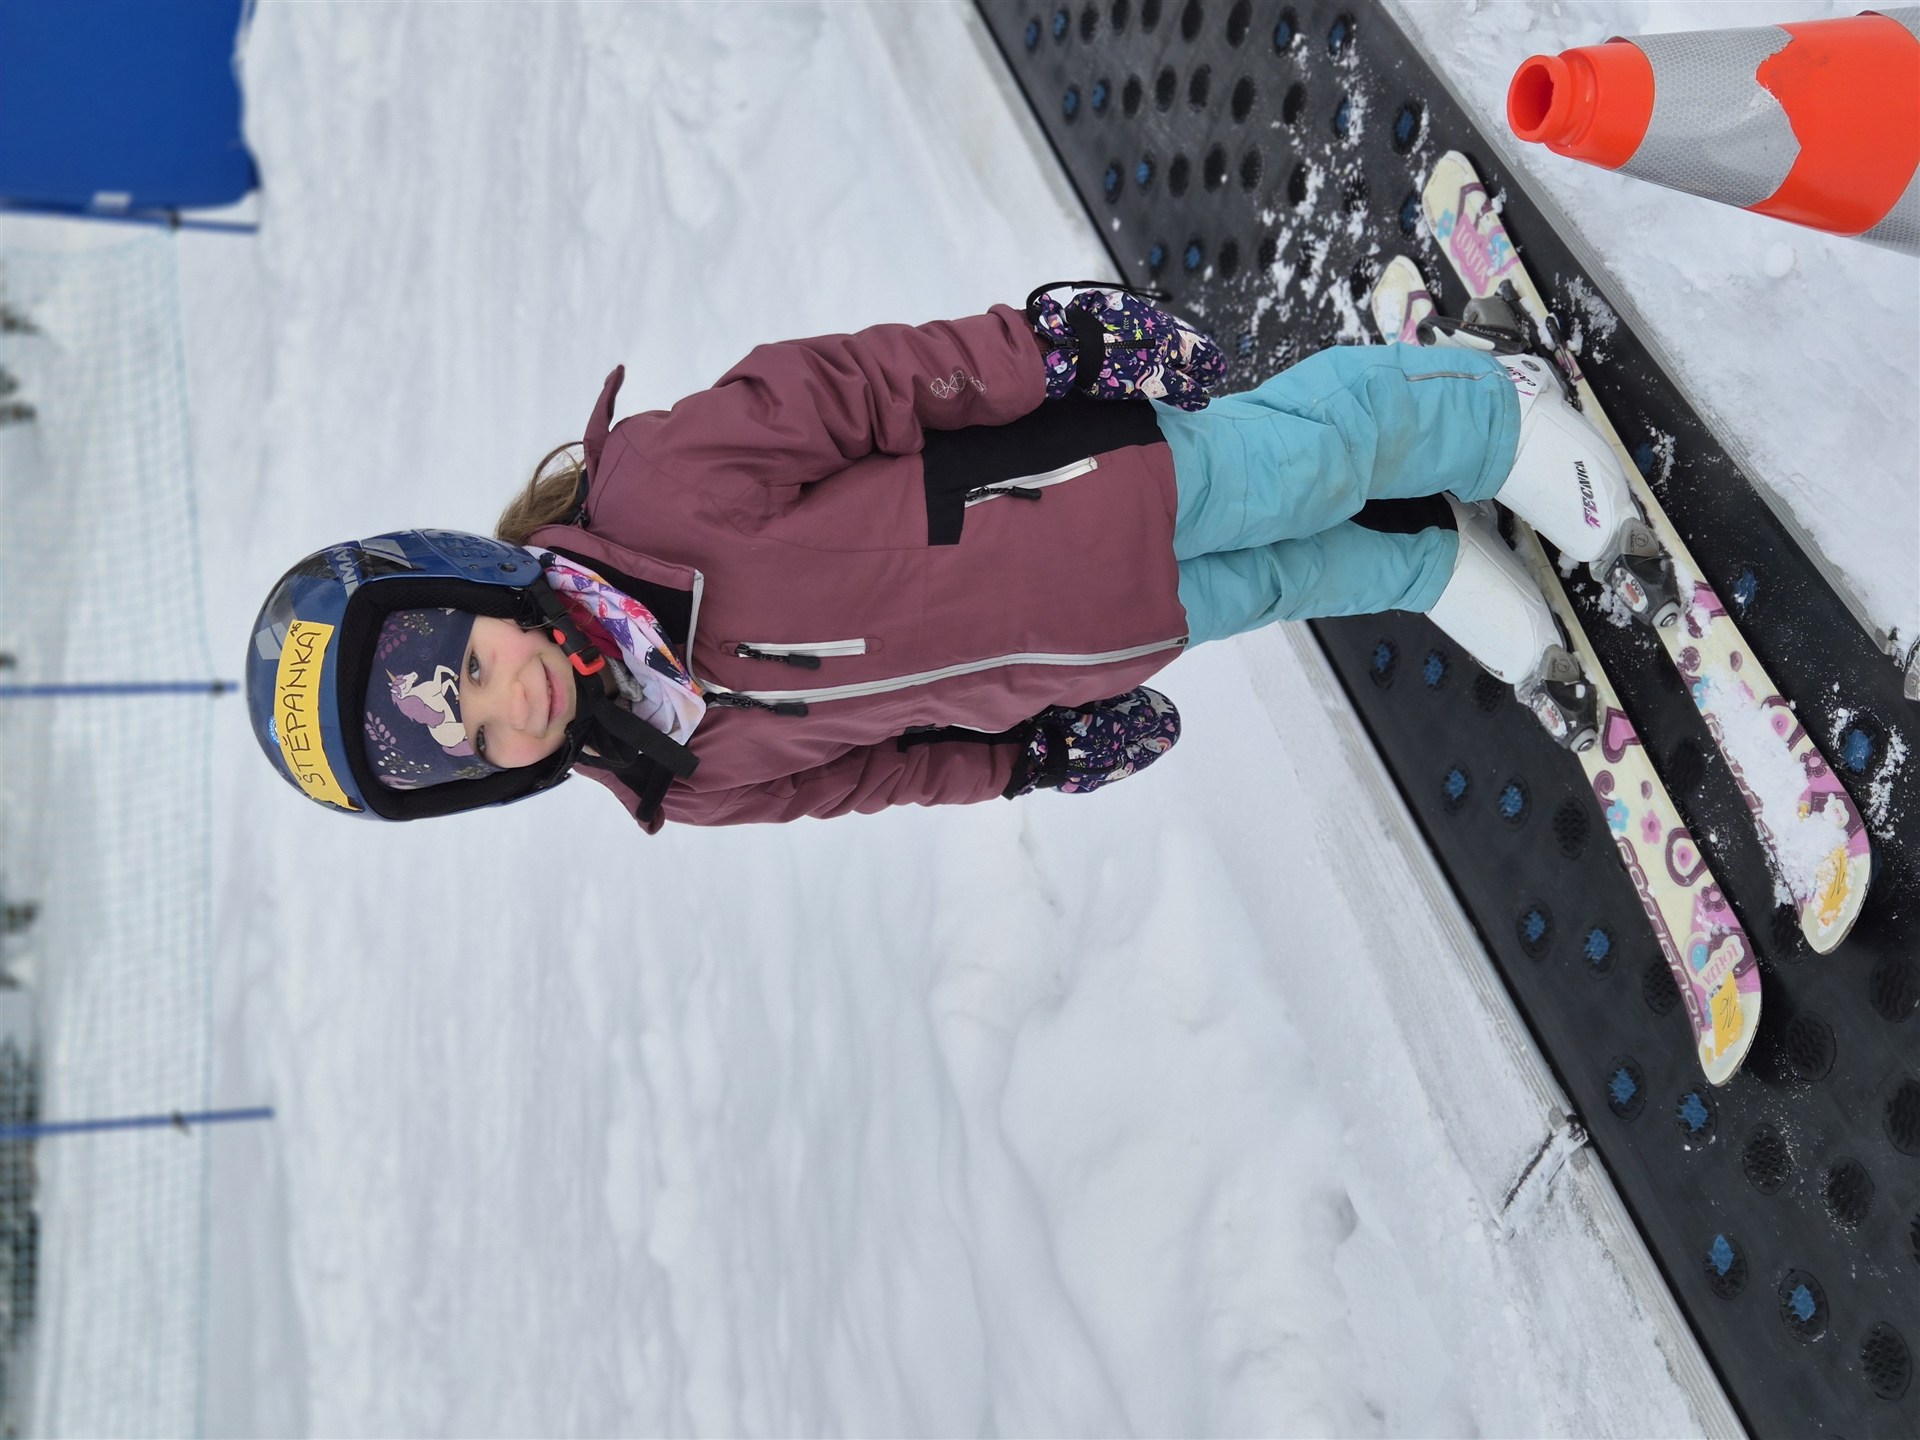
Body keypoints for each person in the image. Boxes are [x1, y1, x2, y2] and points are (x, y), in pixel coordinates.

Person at [245, 283, 1641, 831]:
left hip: (1085, 487)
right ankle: (1431, 567)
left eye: (471, 667)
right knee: (1288, 579)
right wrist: (1024, 758)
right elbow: (878, 771)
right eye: (477, 739)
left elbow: (860, 386)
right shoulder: (686, 781)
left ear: (466, 587)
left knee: (1303, 461)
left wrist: (1044, 348)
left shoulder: (656, 492)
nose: (510, 706)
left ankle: (1489, 411)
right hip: (1092, 642)